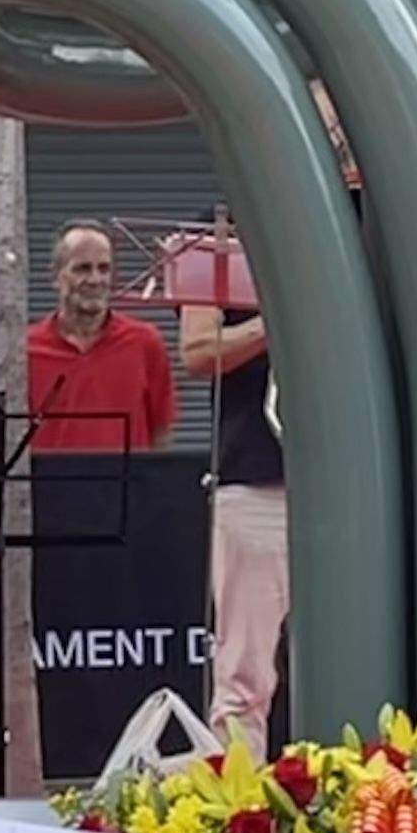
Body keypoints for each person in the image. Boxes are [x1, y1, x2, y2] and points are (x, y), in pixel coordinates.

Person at [183, 275, 287, 742]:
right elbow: (199, 351)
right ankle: (240, 804)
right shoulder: (222, 231)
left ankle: (371, 800)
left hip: (365, 479)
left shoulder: (385, 222)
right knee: (245, 670)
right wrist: (289, 317)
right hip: (257, 479)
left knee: (364, 653)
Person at [25, 224, 177, 451]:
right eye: (82, 269)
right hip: (50, 484)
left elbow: (161, 433)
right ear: (55, 277)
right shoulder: (26, 350)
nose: (95, 280)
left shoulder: (145, 342)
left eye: (104, 269)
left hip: (127, 484)